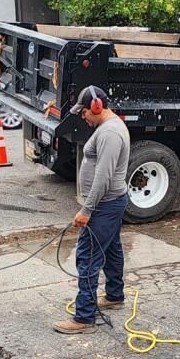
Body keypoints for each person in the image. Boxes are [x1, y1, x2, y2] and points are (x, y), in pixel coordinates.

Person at [54, 86, 130, 334]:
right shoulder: (108, 128)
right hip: (109, 204)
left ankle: (84, 318)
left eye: (85, 111)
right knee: (112, 249)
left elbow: (104, 177)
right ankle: (114, 295)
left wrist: (86, 210)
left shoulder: (110, 133)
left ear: (96, 107)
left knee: (88, 258)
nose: (83, 116)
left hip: (103, 206)